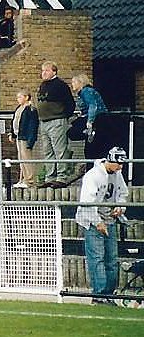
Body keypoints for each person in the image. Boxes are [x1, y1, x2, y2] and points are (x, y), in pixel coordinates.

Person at [76, 147, 129, 304]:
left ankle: (109, 294)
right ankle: (99, 295)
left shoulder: (118, 174)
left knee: (112, 259)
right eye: (118, 163)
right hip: (93, 222)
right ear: (110, 160)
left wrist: (120, 207)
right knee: (97, 259)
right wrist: (97, 222)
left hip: (110, 220)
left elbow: (123, 193)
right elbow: (87, 202)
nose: (120, 167)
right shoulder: (92, 176)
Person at [35, 61, 75, 187]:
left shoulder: (60, 85)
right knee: (48, 150)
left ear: (54, 71)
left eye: (46, 70)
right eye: (42, 70)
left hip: (57, 120)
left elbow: (70, 104)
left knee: (59, 149)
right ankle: (50, 176)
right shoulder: (43, 85)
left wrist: (63, 115)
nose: (44, 73)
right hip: (44, 121)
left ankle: (61, 177)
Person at [71, 74, 111, 162]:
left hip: (98, 119)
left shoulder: (86, 91)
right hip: (97, 118)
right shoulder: (84, 92)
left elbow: (92, 105)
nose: (72, 84)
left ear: (80, 82)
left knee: (73, 133)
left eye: (74, 82)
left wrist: (90, 121)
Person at [9, 89, 39, 189]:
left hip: (25, 137)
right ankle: (23, 179)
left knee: (27, 159)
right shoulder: (19, 108)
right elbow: (15, 121)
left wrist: (31, 140)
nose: (18, 99)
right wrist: (12, 133)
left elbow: (32, 125)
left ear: (26, 97)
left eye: (20, 97)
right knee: (21, 159)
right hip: (19, 136)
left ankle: (30, 180)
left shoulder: (30, 109)